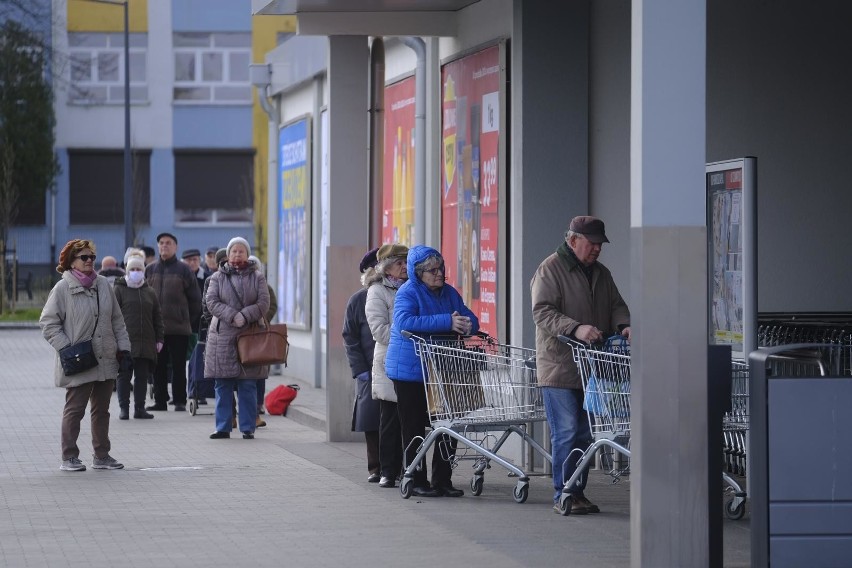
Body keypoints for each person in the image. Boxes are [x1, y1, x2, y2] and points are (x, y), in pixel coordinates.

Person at [530, 215, 631, 515]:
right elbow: (542, 312)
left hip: (592, 367)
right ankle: (564, 492)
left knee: (586, 433)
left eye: (600, 244)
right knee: (567, 430)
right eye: (592, 243)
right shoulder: (550, 269)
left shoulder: (601, 273)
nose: (598, 249)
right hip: (558, 365)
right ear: (573, 240)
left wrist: (624, 325)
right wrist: (575, 328)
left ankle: (577, 491)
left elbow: (616, 305)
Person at [385, 245, 478, 497]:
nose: (439, 274)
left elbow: (470, 317)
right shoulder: (408, 292)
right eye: (432, 271)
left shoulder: (449, 293)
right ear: (418, 274)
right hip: (410, 370)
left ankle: (442, 480)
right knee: (413, 426)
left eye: (441, 269)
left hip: (442, 368)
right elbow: (404, 322)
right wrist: (448, 321)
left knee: (449, 424)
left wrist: (468, 324)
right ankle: (415, 479)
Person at [39, 239, 131, 472]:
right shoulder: (62, 288)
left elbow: (117, 321)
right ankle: (69, 457)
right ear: (71, 261)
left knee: (102, 411)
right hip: (79, 360)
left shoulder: (103, 285)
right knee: (75, 409)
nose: (90, 261)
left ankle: (102, 455)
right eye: (84, 257)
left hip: (106, 358)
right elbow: (48, 323)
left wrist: (125, 349)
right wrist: (67, 348)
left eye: (92, 257)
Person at [205, 237, 270, 439]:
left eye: (241, 251)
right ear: (228, 254)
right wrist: (233, 316)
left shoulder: (257, 276)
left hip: (249, 336)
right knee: (222, 384)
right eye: (234, 251)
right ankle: (223, 426)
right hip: (222, 337)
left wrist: (246, 315)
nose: (237, 254)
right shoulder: (217, 277)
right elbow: (211, 301)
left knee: (248, 385)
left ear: (247, 254)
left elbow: (264, 302)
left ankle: (247, 427)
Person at [365, 243, 409, 488]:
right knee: (390, 420)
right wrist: (410, 330)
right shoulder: (377, 291)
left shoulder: (413, 288)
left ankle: (409, 468)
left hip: (412, 362)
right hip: (389, 362)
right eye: (399, 262)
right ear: (386, 267)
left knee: (411, 420)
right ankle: (388, 471)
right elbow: (379, 330)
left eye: (406, 262)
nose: (404, 267)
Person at [144, 232, 202, 412]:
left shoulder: (184, 270)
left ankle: (179, 400)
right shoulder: (150, 269)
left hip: (178, 328)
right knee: (158, 366)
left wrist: (187, 320)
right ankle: (160, 401)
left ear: (175, 247)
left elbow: (195, 300)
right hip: (156, 330)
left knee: (178, 366)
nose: (164, 246)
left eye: (168, 243)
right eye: (161, 243)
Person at [342, 248, 382, 483]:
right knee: (371, 419)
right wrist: (360, 370)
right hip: (368, 369)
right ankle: (375, 467)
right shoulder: (358, 300)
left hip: (392, 367)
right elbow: (350, 336)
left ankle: (394, 466)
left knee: (394, 421)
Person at [113, 253, 164, 420]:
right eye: (132, 269)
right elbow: (111, 315)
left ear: (143, 271)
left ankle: (140, 408)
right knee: (124, 376)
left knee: (142, 377)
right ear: (127, 271)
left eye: (139, 269)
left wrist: (159, 338)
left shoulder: (149, 292)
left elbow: (157, 316)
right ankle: (124, 409)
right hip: (125, 343)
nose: (136, 272)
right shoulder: (119, 290)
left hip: (145, 343)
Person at [248, 254, 277, 427]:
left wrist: (259, 320)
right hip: (242, 334)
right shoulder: (238, 284)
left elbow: (271, 306)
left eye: (254, 265)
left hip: (261, 335)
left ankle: (258, 406)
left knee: (260, 374)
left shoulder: (265, 286)